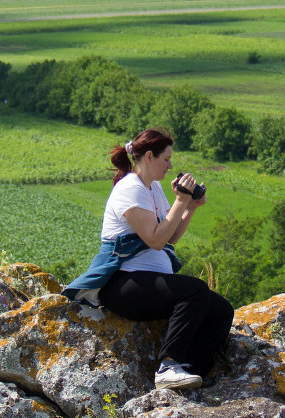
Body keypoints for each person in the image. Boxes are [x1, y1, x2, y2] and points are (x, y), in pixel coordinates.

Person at [61, 128, 233, 390]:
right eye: (166, 159)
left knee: (221, 310)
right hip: (122, 284)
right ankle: (168, 366)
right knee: (195, 291)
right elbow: (155, 240)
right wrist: (180, 200)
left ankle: (193, 371)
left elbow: (171, 236)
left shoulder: (152, 188)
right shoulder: (130, 188)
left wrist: (190, 206)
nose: (170, 166)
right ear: (149, 157)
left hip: (146, 283)